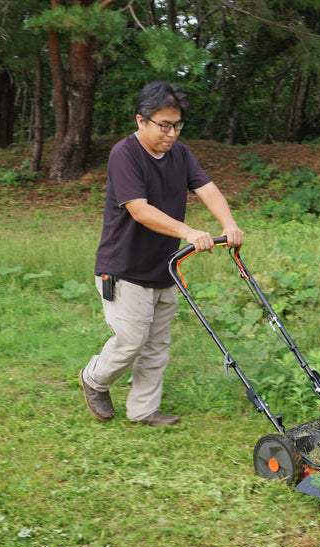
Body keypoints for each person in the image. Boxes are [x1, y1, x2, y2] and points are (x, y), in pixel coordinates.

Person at [80, 81, 245, 426]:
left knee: (156, 345)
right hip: (123, 268)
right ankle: (94, 379)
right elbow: (139, 210)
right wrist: (187, 231)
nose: (171, 134)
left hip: (164, 268)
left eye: (177, 125)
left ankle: (142, 410)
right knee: (130, 340)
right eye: (164, 125)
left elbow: (207, 187)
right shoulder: (124, 154)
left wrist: (228, 224)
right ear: (141, 121)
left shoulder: (180, 155)